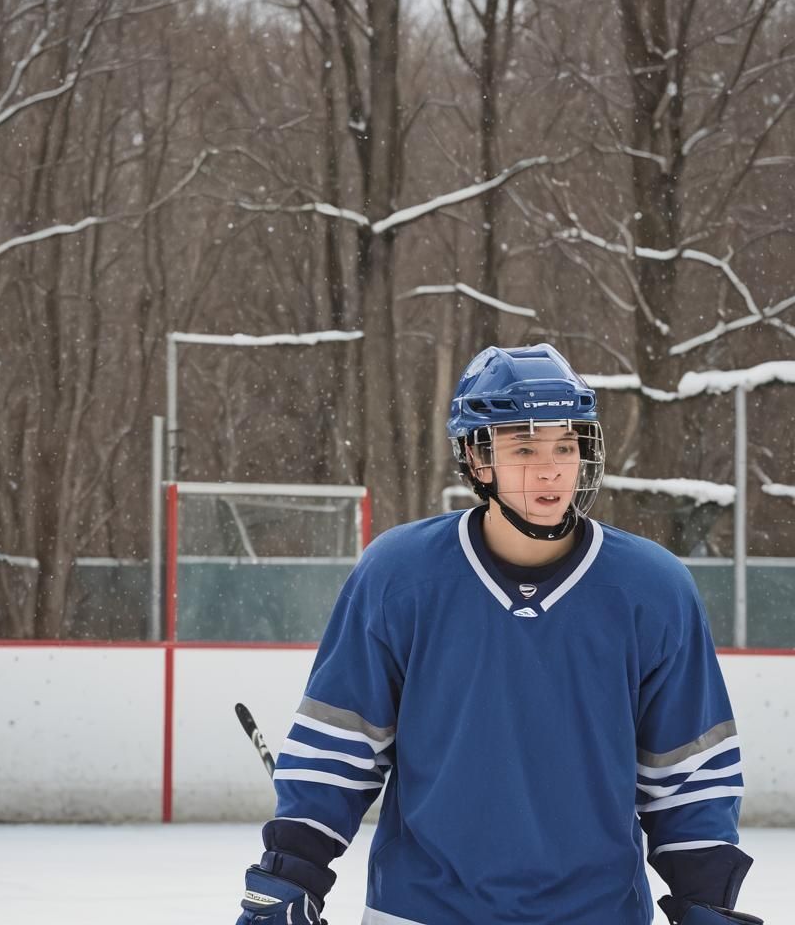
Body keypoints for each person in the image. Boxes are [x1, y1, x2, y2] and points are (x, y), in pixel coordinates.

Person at [234, 344, 762, 925]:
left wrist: (706, 898)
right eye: (524, 447)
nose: (551, 468)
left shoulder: (653, 588)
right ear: (475, 458)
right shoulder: (400, 575)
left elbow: (687, 774)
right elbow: (340, 749)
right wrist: (290, 874)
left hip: (595, 912)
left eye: (566, 445)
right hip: (421, 910)